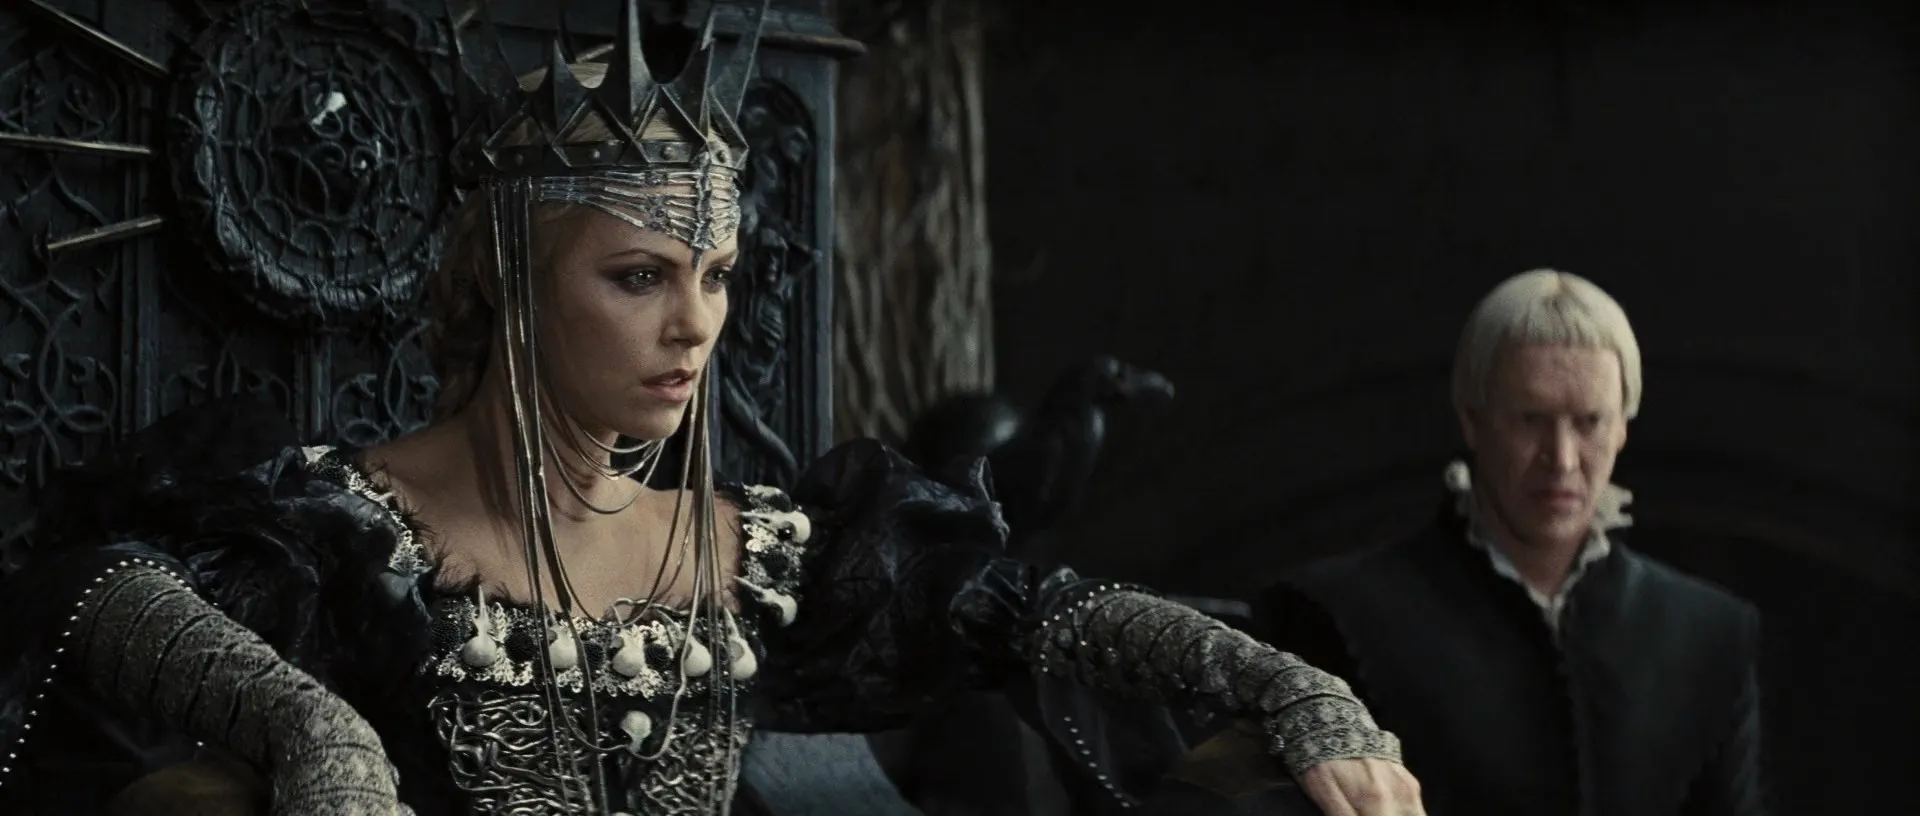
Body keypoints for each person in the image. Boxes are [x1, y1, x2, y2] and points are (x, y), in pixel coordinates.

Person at [0, 4, 1423, 815]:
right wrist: (314, 728)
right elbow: (91, 587)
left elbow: (1048, 614)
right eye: (639, 276)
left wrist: (1302, 691)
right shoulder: (343, 530)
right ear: (509, 283)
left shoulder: (770, 551)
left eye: (719, 276)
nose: (695, 324)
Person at [1255, 270, 1766, 816]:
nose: (1562, 460)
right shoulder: (1335, 615)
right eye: (1530, 420)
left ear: (1622, 427)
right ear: (1472, 420)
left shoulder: (1713, 634)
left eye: (1590, 422)